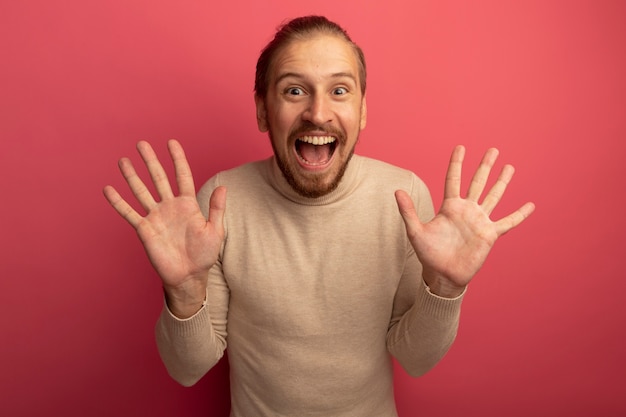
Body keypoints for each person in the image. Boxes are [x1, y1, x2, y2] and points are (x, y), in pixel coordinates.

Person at [103, 15, 535, 417]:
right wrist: (183, 291)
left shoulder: (403, 197)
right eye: (294, 90)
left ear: (363, 109)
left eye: (340, 90)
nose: (318, 112)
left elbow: (415, 359)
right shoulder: (220, 202)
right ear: (261, 109)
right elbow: (187, 370)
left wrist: (446, 287)